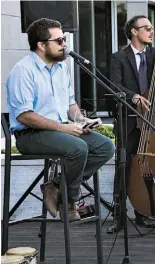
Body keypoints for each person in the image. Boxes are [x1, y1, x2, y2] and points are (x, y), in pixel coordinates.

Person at [5, 18, 115, 222]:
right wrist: (64, 129)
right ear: (41, 45)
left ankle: (56, 187)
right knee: (78, 148)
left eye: (64, 39)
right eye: (60, 40)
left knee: (105, 146)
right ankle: (69, 203)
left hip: (59, 131)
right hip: (30, 135)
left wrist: (81, 120)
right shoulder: (23, 71)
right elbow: (24, 115)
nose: (65, 44)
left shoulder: (62, 68)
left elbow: (70, 104)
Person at [107, 15, 155, 233]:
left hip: (152, 121)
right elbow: (113, 85)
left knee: (147, 166)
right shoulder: (119, 57)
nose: (151, 31)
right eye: (146, 28)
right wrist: (133, 96)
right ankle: (119, 216)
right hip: (129, 121)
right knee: (124, 166)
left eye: (152, 28)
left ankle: (143, 211)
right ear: (134, 32)